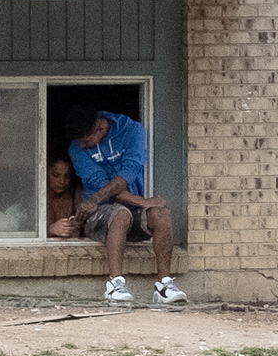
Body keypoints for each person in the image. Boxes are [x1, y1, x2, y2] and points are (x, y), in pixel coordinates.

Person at [61, 105, 187, 305]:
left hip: (123, 205)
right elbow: (101, 183)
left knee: (161, 214)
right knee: (120, 214)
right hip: (98, 213)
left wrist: (143, 204)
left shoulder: (132, 131)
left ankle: (164, 285)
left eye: (86, 141)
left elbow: (128, 172)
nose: (82, 147)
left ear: (100, 129)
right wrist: (142, 202)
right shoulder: (75, 149)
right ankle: (115, 284)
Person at [45, 155, 78, 238]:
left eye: (67, 176)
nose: (62, 181)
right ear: (44, 173)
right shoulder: (35, 196)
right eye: (56, 175)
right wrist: (51, 230)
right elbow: (24, 231)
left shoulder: (74, 195)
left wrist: (74, 228)